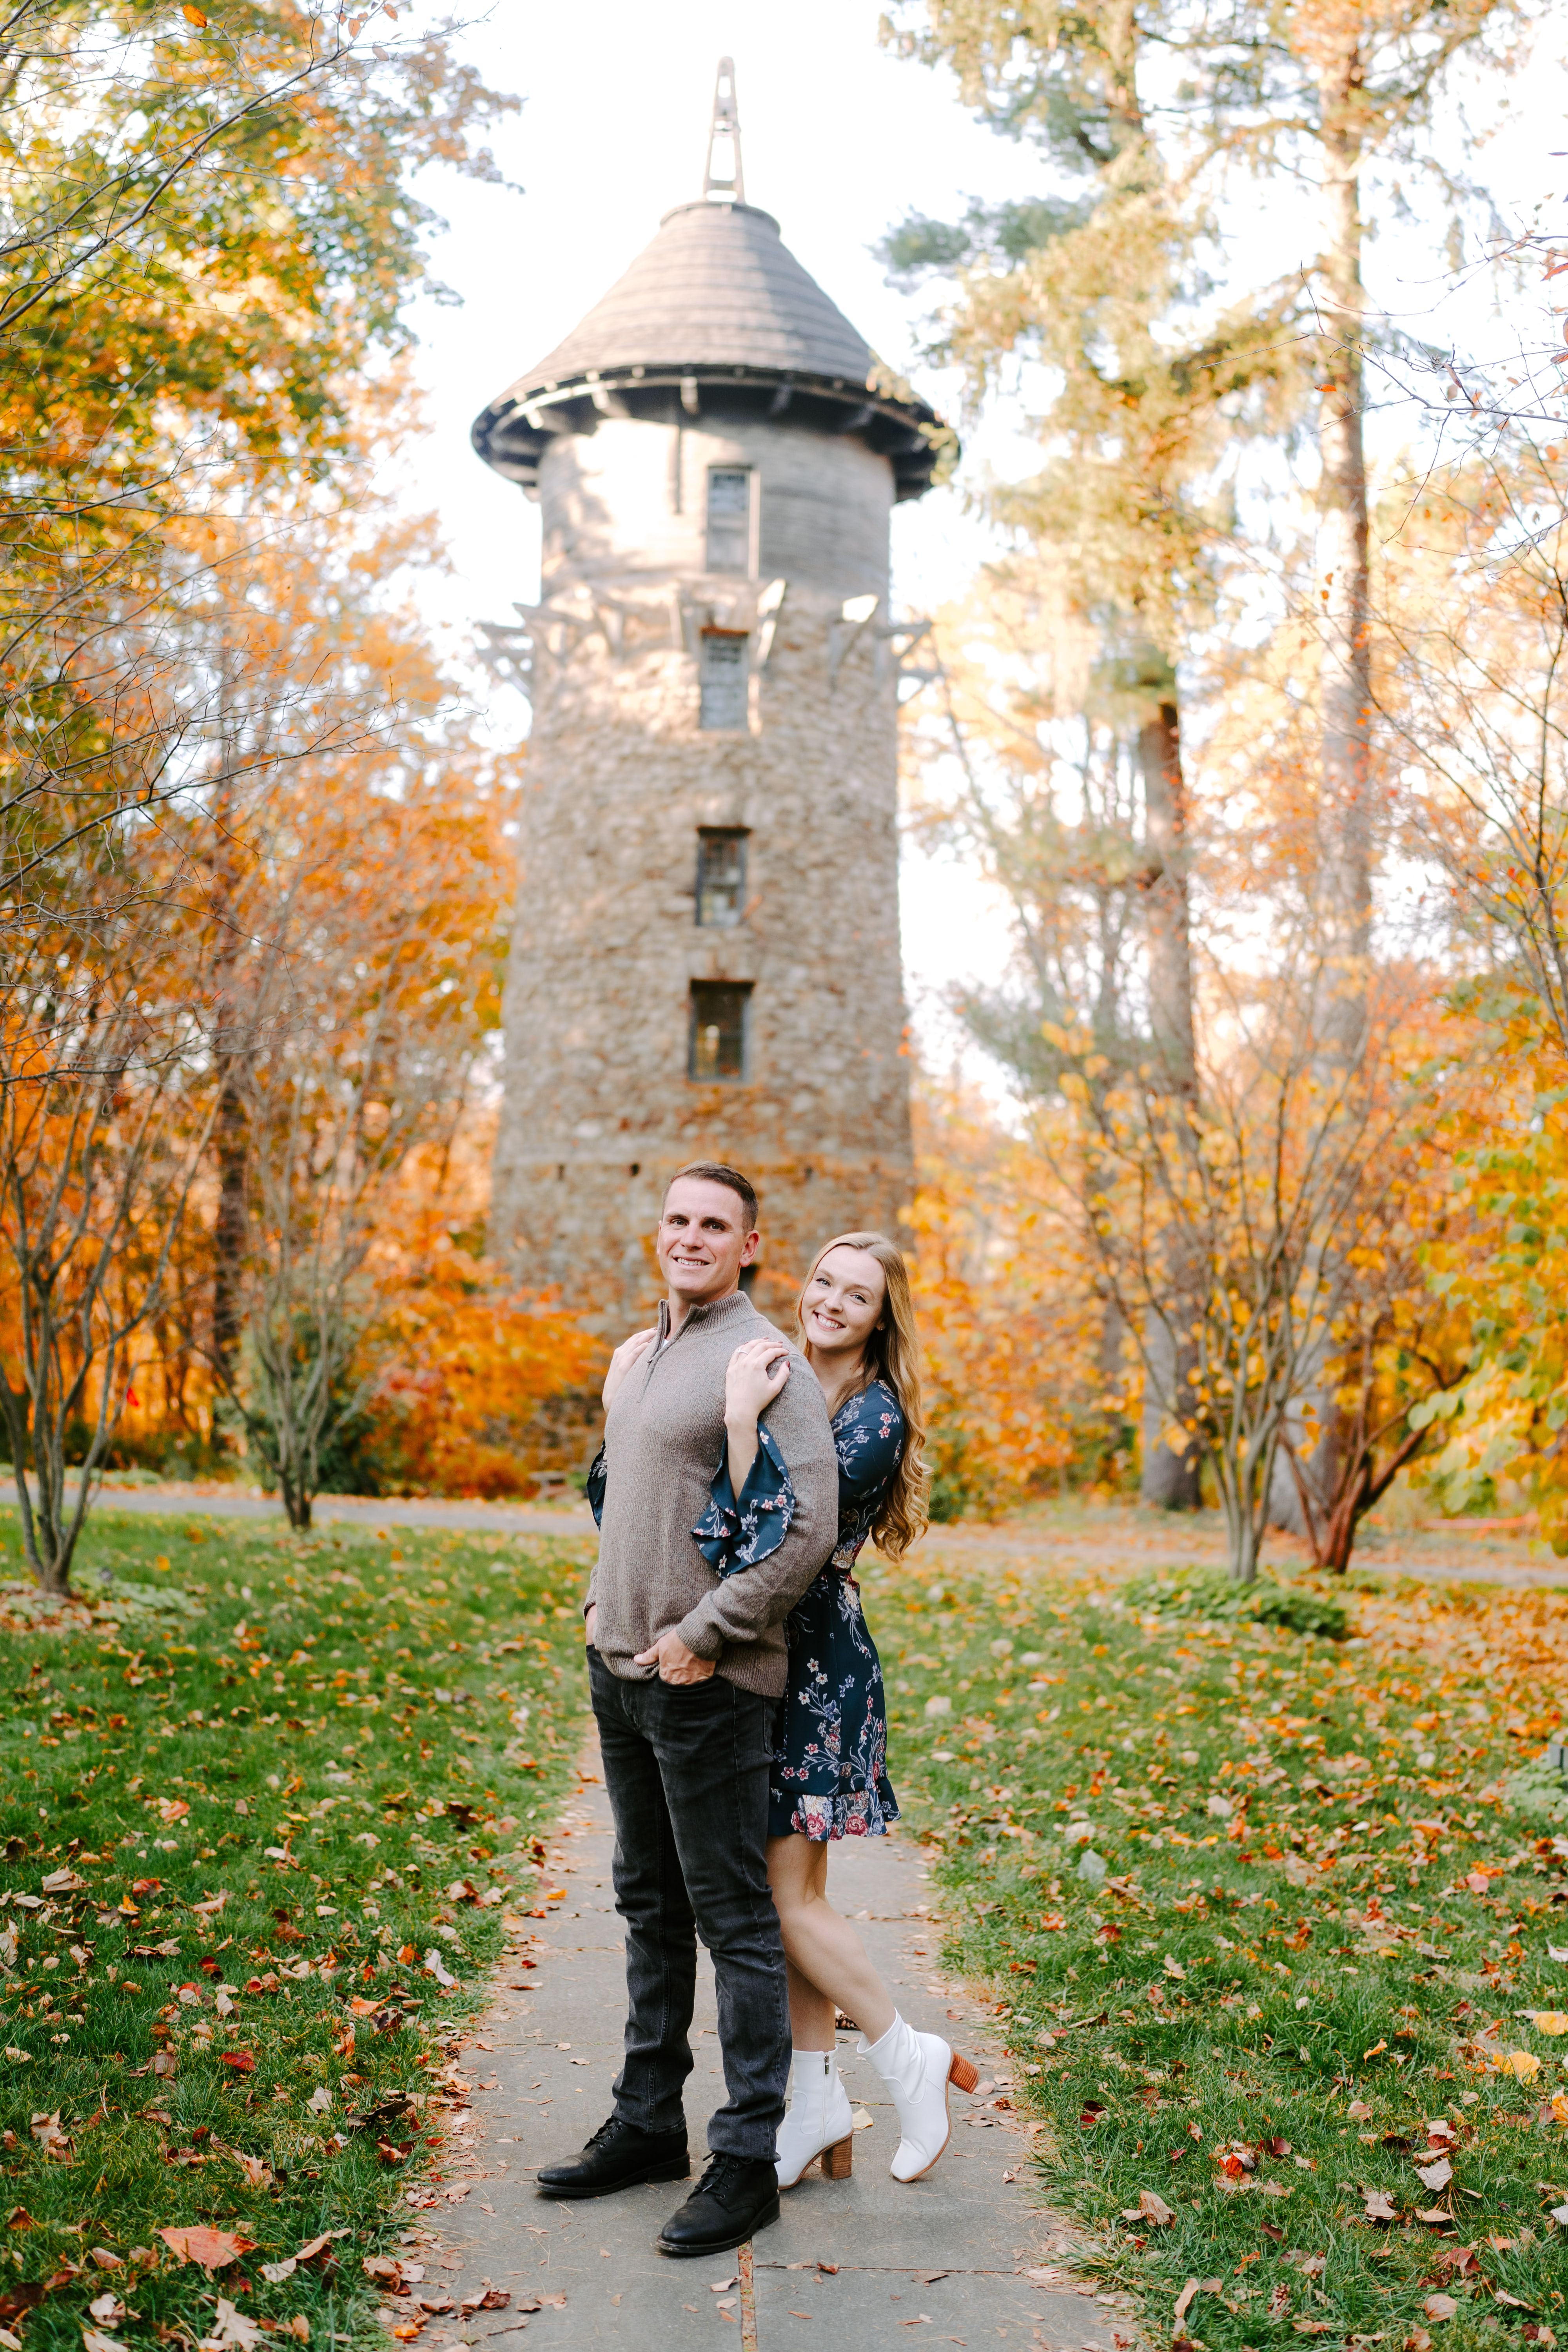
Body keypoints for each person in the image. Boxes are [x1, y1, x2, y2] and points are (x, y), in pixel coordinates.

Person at [535, 1163, 839, 2261]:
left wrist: (705, 1634)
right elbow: (628, 1496)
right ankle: (647, 2124)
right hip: (620, 1671)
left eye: (715, 1224)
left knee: (733, 1919)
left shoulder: (766, 1362)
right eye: (678, 1219)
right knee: (648, 1905)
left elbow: (803, 1527)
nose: (692, 1236)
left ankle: (747, 2158)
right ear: (659, 1232)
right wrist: (603, 1603)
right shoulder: (645, 1351)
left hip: (708, 1684)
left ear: (750, 1243)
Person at [704, 1230, 978, 2193]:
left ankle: (908, 2055)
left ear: (878, 1318)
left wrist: (740, 1430)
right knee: (789, 1904)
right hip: (767, 1653)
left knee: (788, 1900)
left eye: (855, 1295)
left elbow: (768, 1534)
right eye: (822, 1280)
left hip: (816, 1667)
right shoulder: (778, 1373)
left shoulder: (872, 1419)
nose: (829, 1301)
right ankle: (813, 2095)